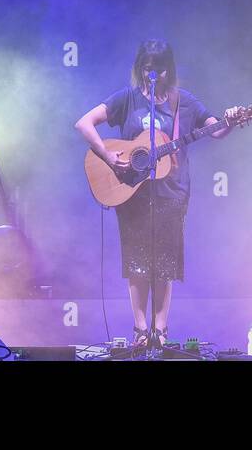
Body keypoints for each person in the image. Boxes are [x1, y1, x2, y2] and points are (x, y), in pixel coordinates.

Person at [74, 39, 240, 350]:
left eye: (160, 70)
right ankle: (139, 329)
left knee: (165, 262)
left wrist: (230, 121)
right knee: (137, 262)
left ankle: (160, 330)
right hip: (132, 191)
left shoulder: (184, 102)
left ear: (170, 69)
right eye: (147, 69)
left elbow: (215, 130)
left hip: (171, 192)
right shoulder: (127, 99)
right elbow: (84, 123)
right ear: (139, 68)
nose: (154, 75)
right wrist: (110, 158)